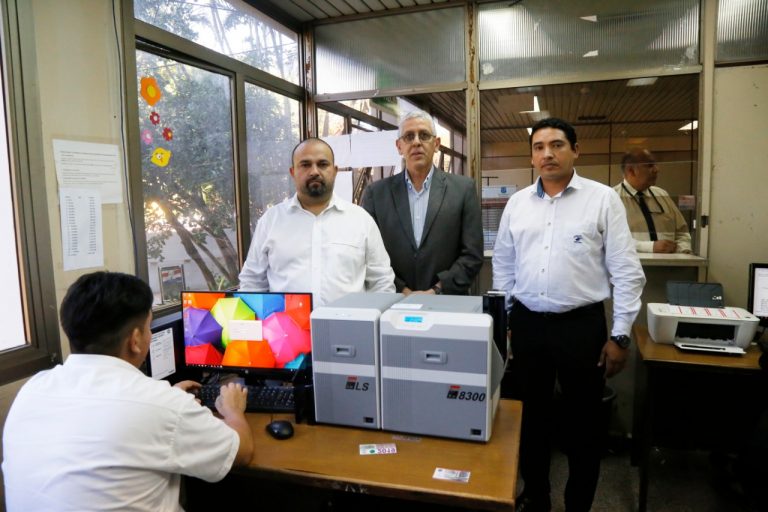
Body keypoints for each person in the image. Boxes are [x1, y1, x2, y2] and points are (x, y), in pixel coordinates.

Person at [2, 271, 254, 512]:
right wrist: (233, 412)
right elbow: (241, 453)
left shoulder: (32, 390)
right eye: (148, 328)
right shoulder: (161, 404)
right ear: (135, 340)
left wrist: (169, 401)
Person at [492, 118, 646, 512]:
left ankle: (578, 504)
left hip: (581, 327)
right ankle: (537, 497)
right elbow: (504, 267)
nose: (548, 154)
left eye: (557, 145)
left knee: (584, 426)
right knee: (530, 422)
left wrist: (620, 335)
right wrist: (506, 324)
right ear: (531, 156)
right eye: (539, 147)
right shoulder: (517, 204)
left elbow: (627, 272)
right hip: (527, 324)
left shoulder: (601, 200)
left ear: (576, 150)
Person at [239, 138, 395, 306]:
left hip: (349, 322)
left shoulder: (361, 221)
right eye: (305, 165)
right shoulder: (271, 221)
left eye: (322, 164)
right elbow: (252, 282)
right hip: (288, 323)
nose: (314, 171)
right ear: (293, 172)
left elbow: (382, 282)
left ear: (334, 171)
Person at [361, 110, 483, 295]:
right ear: (399, 146)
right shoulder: (376, 194)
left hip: (448, 302)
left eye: (424, 135)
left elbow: (472, 254)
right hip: (393, 301)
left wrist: (436, 291)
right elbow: (369, 255)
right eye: (409, 136)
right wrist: (402, 290)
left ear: (436, 144)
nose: (416, 142)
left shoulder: (463, 189)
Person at [613, 148, 692, 254]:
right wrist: (650, 247)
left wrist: (683, 251)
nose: (656, 169)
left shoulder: (662, 195)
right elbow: (610, 239)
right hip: (634, 262)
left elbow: (682, 232)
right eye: (649, 165)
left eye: (655, 165)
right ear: (631, 171)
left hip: (671, 262)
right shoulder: (612, 198)